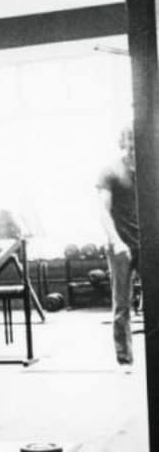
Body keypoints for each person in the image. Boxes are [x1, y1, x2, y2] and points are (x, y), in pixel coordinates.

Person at [97, 127, 140, 370]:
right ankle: (125, 360)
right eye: (129, 139)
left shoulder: (149, 170)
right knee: (122, 304)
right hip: (120, 246)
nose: (133, 144)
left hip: (147, 245)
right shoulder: (110, 171)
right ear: (122, 142)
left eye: (137, 138)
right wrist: (116, 241)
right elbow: (103, 211)